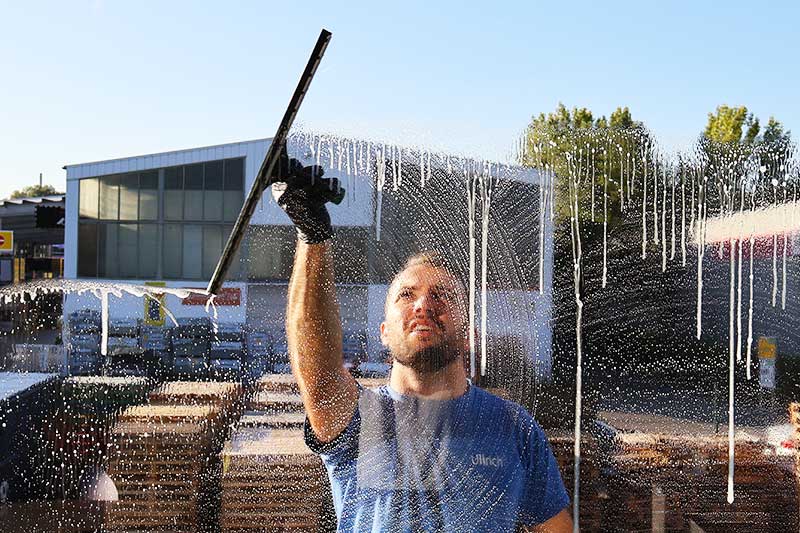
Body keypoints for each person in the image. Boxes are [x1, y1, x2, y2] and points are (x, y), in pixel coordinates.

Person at [273, 157, 572, 532]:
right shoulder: (361, 418)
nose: (423, 305)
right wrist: (313, 237)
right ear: (384, 332)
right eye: (406, 295)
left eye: (442, 295)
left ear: (468, 334)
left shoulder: (514, 428)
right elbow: (318, 371)